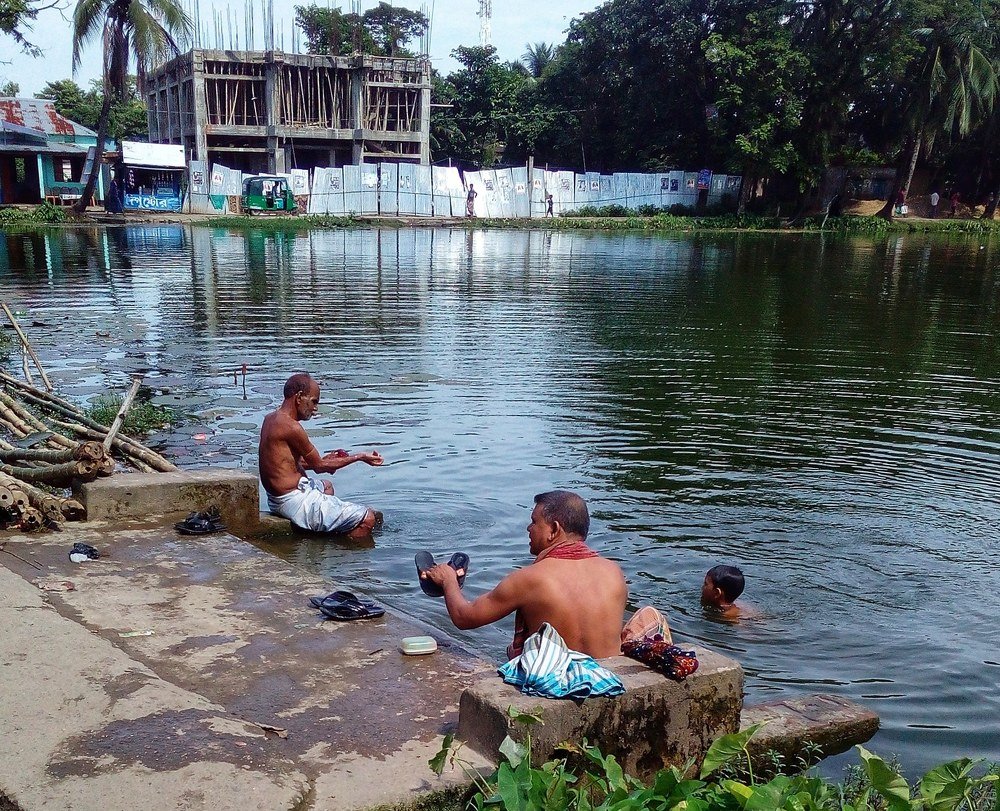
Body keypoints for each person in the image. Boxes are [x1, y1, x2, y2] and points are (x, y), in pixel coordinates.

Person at [422, 490, 627, 660]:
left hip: (556, 685)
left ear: (554, 529)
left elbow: (464, 617)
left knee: (513, 652)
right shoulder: (613, 572)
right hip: (606, 680)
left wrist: (449, 580)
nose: (528, 529)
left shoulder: (529, 578)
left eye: (534, 522)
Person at [259, 373, 383, 538]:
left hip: (276, 498)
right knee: (368, 518)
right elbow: (319, 467)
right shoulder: (292, 427)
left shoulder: (271, 419)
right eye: (314, 401)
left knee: (327, 487)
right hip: (292, 501)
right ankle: (339, 548)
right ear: (299, 397)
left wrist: (323, 461)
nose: (315, 408)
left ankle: (323, 527)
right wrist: (359, 457)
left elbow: (286, 462)